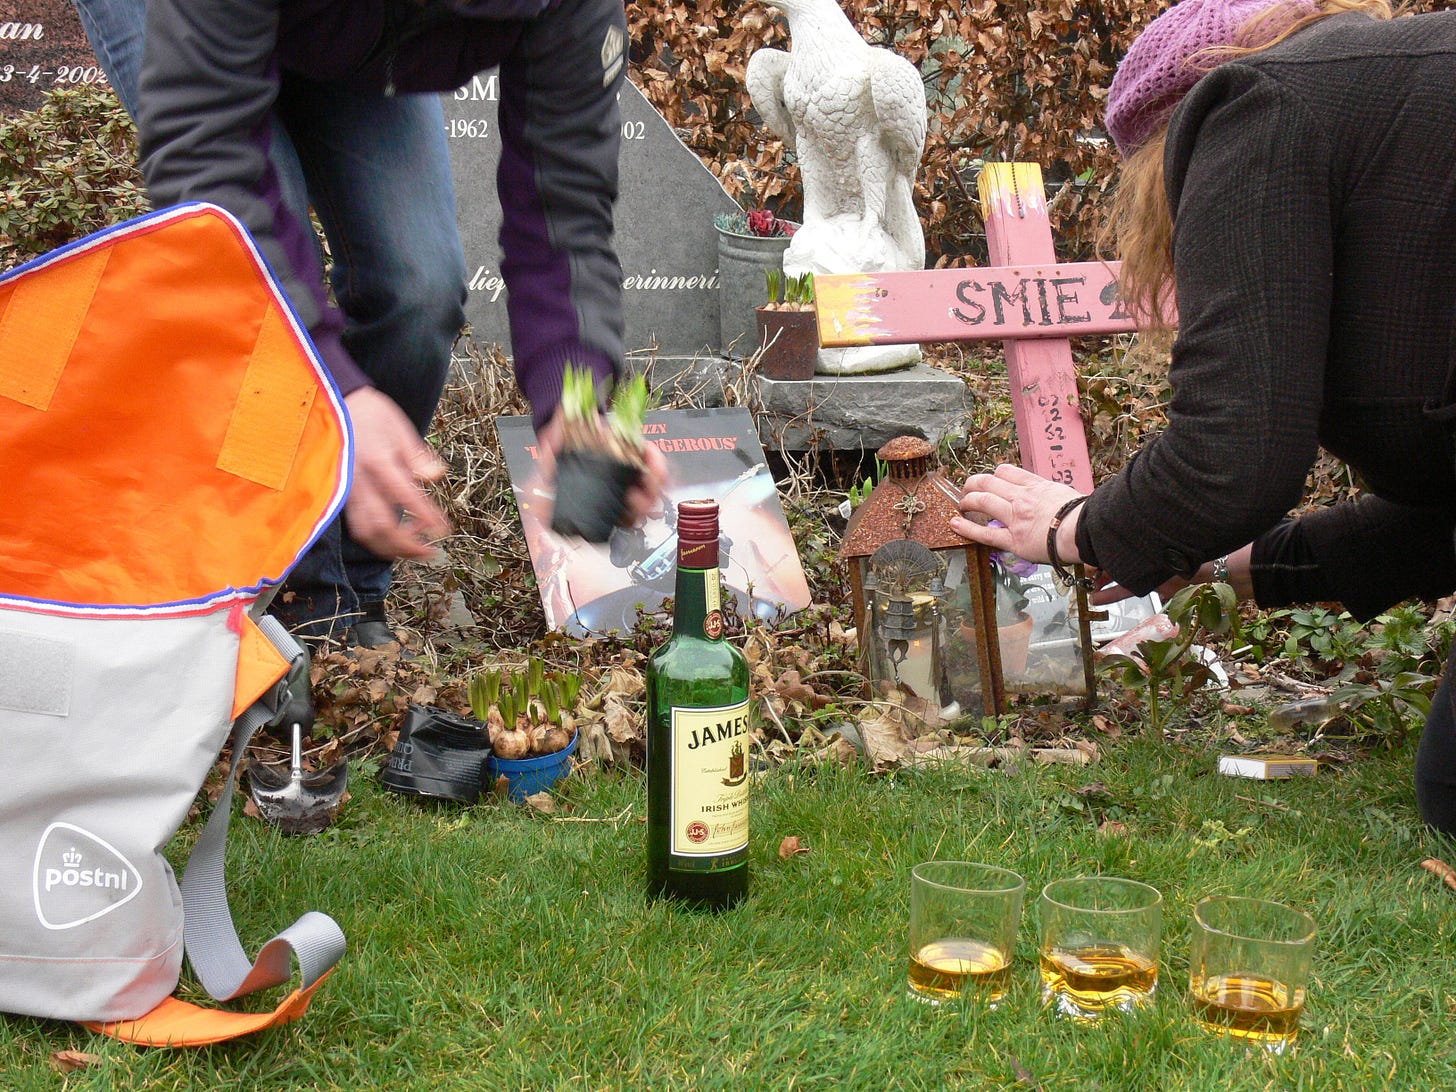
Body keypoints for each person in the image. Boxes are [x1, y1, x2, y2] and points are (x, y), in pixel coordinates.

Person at [950, 0, 1456, 833]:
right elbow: (1439, 523)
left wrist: (1077, 528)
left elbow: (1233, 453)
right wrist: (1225, 566)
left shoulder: (1253, 102)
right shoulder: (1385, 119)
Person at [78, 0, 664, 646]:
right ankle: (295, 598)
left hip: (354, 33)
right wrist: (332, 392)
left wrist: (577, 402)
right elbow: (209, 173)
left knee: (418, 286)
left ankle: (355, 587)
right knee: (259, 286)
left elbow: (564, 205)